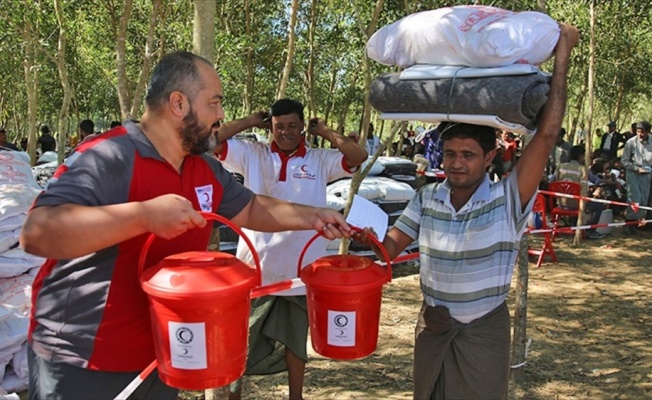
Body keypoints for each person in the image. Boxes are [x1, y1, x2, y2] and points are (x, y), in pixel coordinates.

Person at [20, 51, 353, 400]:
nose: (221, 115)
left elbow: (252, 208)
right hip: (85, 360)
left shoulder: (203, 169)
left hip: (167, 352)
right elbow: (37, 233)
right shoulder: (109, 156)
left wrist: (312, 216)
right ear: (178, 103)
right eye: (214, 103)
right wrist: (142, 215)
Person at [354, 24, 579, 399]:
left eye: (468, 155)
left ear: (490, 157)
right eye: (451, 154)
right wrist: (364, 243)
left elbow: (547, 134)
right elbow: (389, 247)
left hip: (483, 334)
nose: (457, 164)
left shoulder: (508, 198)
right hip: (433, 327)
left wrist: (562, 57)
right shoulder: (426, 199)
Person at [213, 98, 367, 400]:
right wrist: (249, 121)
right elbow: (213, 140)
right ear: (270, 126)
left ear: (302, 127)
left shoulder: (320, 159)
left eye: (293, 126)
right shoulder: (252, 152)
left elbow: (358, 155)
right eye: (279, 126)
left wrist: (325, 131)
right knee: (239, 342)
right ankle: (234, 397)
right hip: (254, 269)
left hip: (301, 272)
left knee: (297, 344)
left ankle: (296, 396)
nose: (285, 133)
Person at [555, 145, 605, 238]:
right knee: (599, 206)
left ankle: (572, 223)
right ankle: (590, 231)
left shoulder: (560, 166)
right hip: (576, 204)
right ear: (580, 156)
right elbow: (596, 181)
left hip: (560, 203)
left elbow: (552, 181)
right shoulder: (583, 169)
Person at [620, 121, 652, 234]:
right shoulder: (630, 143)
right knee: (635, 199)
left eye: (642, 132)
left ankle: (637, 224)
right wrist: (636, 168)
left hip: (647, 174)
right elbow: (624, 161)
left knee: (643, 200)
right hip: (633, 173)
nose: (640, 134)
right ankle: (629, 223)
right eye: (638, 132)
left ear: (648, 131)